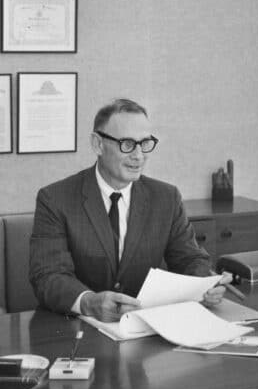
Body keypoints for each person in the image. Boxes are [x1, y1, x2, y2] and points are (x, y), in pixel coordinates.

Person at [29, 98, 227, 322]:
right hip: (78, 329)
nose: (139, 155)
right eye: (127, 144)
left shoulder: (166, 197)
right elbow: (48, 275)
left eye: (144, 143)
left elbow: (190, 258)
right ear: (98, 144)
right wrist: (88, 302)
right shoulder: (55, 199)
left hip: (145, 327)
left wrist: (204, 284)